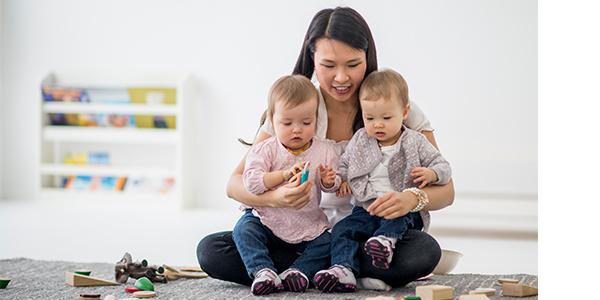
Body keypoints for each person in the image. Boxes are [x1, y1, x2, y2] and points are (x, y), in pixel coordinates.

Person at [197, 6, 455, 290]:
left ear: (368, 59)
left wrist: (411, 199)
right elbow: (234, 184)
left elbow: (446, 191)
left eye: (353, 64)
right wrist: (277, 198)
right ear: (312, 59)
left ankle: (312, 270)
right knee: (212, 250)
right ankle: (326, 270)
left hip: (370, 232)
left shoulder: (392, 107)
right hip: (302, 234)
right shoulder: (295, 109)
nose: (341, 78)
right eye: (329, 66)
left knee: (424, 251)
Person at [313, 69, 452, 292]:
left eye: (386, 118)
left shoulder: (415, 141)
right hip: (365, 210)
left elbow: (443, 166)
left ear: (404, 112)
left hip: (401, 211)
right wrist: (337, 180)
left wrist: (432, 174)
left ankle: (385, 241)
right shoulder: (361, 139)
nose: (378, 125)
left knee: (413, 237)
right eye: (370, 118)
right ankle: (343, 269)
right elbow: (345, 166)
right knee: (342, 230)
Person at [233, 75, 341, 295]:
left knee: (331, 241)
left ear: (316, 120)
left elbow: (334, 183)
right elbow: (251, 182)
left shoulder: (325, 150)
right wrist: (281, 176)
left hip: (308, 224)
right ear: (272, 120)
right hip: (268, 221)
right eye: (287, 123)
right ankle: (263, 271)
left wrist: (330, 181)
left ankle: (297, 272)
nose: (297, 130)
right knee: (243, 229)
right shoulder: (266, 149)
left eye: (306, 122)